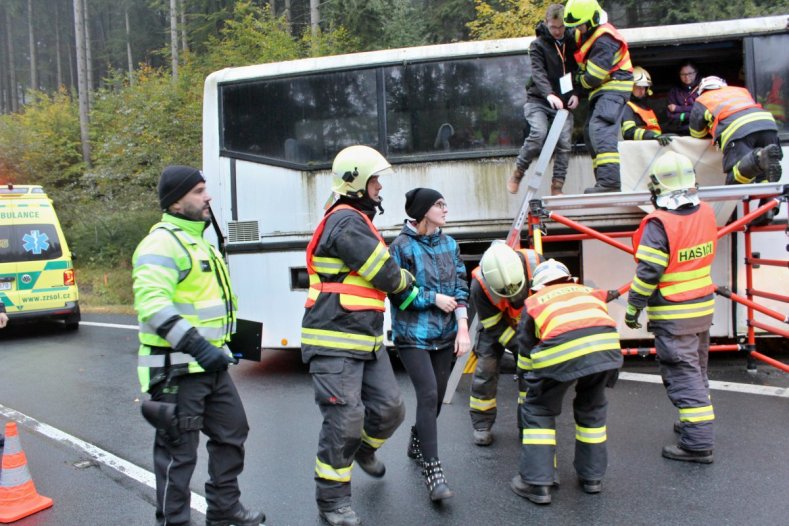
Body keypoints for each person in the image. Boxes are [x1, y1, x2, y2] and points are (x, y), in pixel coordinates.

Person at [132, 165, 264, 526]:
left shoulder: (198, 241)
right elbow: (152, 305)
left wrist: (226, 342)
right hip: (177, 370)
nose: (208, 197)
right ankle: (174, 521)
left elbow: (209, 304)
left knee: (232, 431)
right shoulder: (161, 242)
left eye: (206, 189)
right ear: (176, 201)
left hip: (210, 366)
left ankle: (223, 509)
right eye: (199, 191)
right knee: (179, 454)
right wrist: (197, 346)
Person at [301, 145, 417, 526]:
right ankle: (332, 502)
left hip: (363, 339)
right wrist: (406, 282)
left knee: (390, 409)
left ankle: (363, 451)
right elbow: (384, 272)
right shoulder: (346, 222)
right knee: (344, 420)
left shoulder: (355, 219)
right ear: (356, 182)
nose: (380, 187)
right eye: (375, 180)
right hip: (334, 339)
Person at [625, 151, 717, 464]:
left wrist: (633, 306)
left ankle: (698, 442)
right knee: (697, 369)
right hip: (702, 308)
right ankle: (694, 422)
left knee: (683, 374)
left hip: (675, 315)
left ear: (656, 189)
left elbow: (649, 272)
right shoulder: (705, 212)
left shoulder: (659, 224)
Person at [510, 258, 622, 505]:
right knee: (592, 409)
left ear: (537, 286)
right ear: (568, 279)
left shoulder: (535, 301)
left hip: (560, 353)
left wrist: (528, 383)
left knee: (539, 410)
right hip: (606, 351)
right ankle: (592, 478)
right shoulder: (588, 292)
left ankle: (538, 484)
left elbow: (526, 349)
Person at [388, 187, 471, 502]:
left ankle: (417, 438)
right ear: (423, 211)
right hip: (412, 336)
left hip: (445, 335)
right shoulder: (401, 247)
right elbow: (398, 294)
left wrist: (463, 327)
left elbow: (461, 285)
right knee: (427, 394)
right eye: (439, 204)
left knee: (436, 399)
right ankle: (433, 471)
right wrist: (433, 298)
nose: (446, 209)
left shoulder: (450, 244)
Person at [468, 242, 543, 446]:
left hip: (530, 321)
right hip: (496, 323)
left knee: (530, 373)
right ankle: (482, 424)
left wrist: (530, 343)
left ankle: (527, 425)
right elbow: (493, 325)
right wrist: (518, 345)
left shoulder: (537, 264)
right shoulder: (479, 285)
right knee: (486, 369)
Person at [508, 3, 580, 196]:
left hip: (564, 102)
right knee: (538, 134)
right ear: (547, 23)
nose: (557, 31)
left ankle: (557, 186)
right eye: (553, 27)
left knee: (565, 143)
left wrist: (576, 93)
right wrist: (549, 93)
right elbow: (538, 72)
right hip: (539, 100)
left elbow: (578, 70)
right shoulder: (538, 45)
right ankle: (518, 172)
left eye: (561, 27)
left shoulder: (573, 41)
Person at [563, 0, 634, 193]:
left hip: (615, 86)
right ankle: (603, 181)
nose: (578, 28)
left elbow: (592, 78)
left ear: (593, 20)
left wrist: (575, 81)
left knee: (600, 129)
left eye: (580, 24)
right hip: (602, 90)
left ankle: (610, 183)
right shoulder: (584, 29)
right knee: (590, 132)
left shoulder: (605, 39)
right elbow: (568, 34)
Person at [689, 76, 783, 185]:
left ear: (701, 90)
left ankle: (758, 156)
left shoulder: (702, 100)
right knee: (763, 172)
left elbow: (697, 133)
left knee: (734, 180)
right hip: (767, 124)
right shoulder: (740, 90)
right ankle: (765, 196)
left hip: (737, 130)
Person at [622, 66, 673, 146]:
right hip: (641, 148)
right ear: (631, 87)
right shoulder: (627, 106)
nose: (642, 91)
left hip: (654, 146)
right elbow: (629, 132)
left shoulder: (646, 107)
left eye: (644, 88)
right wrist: (652, 136)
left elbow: (655, 128)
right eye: (639, 87)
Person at [665, 61, 701, 135]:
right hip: (679, 130)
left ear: (696, 72)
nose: (687, 77)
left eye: (690, 73)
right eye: (683, 74)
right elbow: (670, 115)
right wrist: (689, 114)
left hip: (700, 129)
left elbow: (702, 110)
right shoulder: (674, 91)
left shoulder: (702, 88)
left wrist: (678, 109)